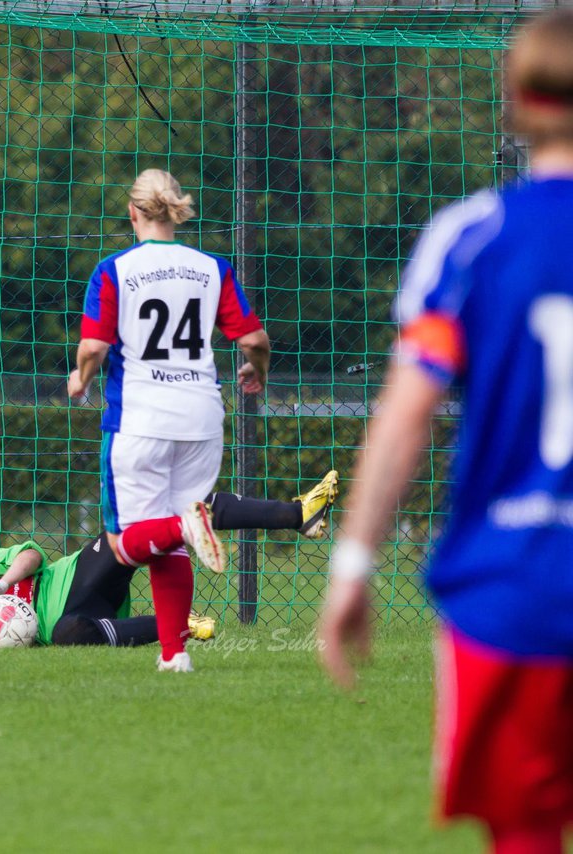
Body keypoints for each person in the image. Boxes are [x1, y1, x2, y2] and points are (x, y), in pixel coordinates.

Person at [319, 11, 573, 852]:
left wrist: (354, 563)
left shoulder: (470, 239)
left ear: (514, 103)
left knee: (525, 835)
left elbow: (404, 417)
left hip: (513, 589)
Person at [68, 168, 271, 672]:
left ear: (132, 213)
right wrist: (257, 370)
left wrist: (80, 379)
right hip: (202, 418)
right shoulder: (211, 267)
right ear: (176, 211)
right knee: (172, 537)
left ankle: (184, 527)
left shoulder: (115, 270)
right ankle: (174, 655)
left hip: (141, 419)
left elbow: (94, 346)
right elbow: (253, 340)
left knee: (126, 539)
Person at [0, 476, 336, 649]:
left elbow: (33, 554)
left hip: (79, 576)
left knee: (168, 515)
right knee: (66, 635)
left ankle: (297, 514)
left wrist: (3, 584)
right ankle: (178, 624)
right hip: (79, 621)